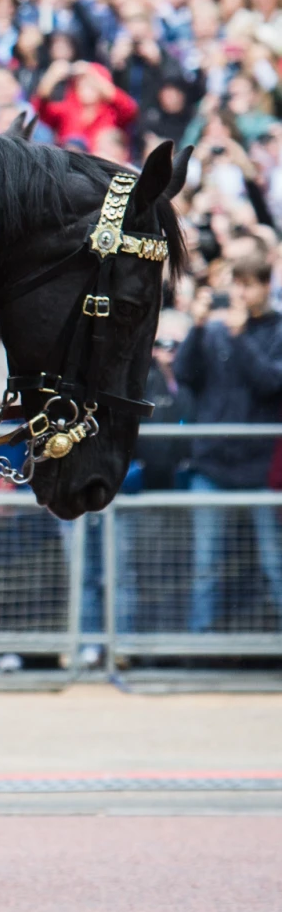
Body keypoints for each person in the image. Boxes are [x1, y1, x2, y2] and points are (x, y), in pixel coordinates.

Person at [173, 251, 282, 633]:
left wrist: (239, 339)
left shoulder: (278, 330)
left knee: (275, 563)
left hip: (261, 467)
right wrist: (197, 327)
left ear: (266, 286)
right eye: (235, 284)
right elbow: (185, 374)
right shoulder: (214, 329)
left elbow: (271, 383)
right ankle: (200, 647)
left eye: (248, 285)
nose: (240, 293)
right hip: (213, 463)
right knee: (206, 564)